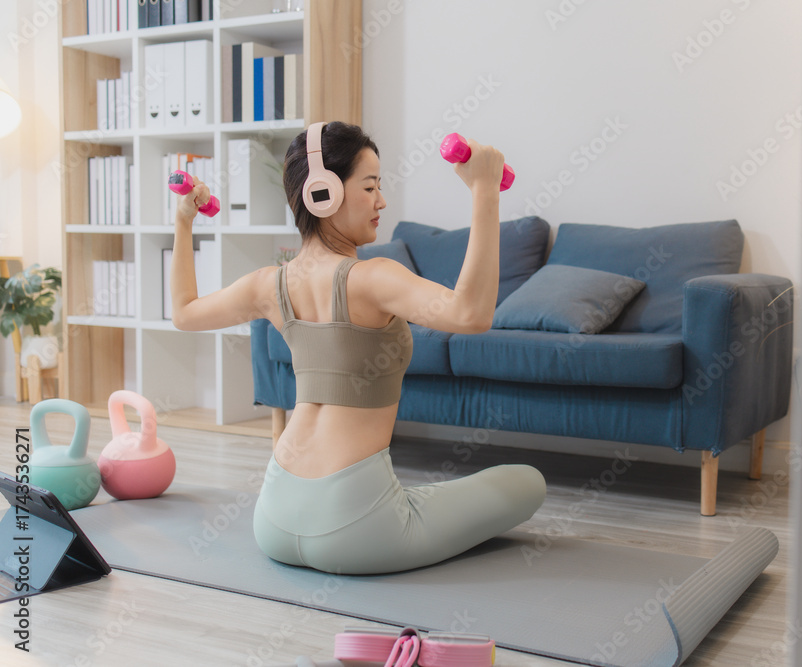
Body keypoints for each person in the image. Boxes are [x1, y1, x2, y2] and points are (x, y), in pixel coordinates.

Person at [169, 121, 546, 574]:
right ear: (323, 193)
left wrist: (183, 221)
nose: (381, 202)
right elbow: (471, 314)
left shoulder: (268, 284)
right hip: (356, 531)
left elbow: (184, 312)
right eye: (370, 188)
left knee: (424, 497)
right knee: (527, 482)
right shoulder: (373, 278)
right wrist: (484, 190)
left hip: (272, 519)